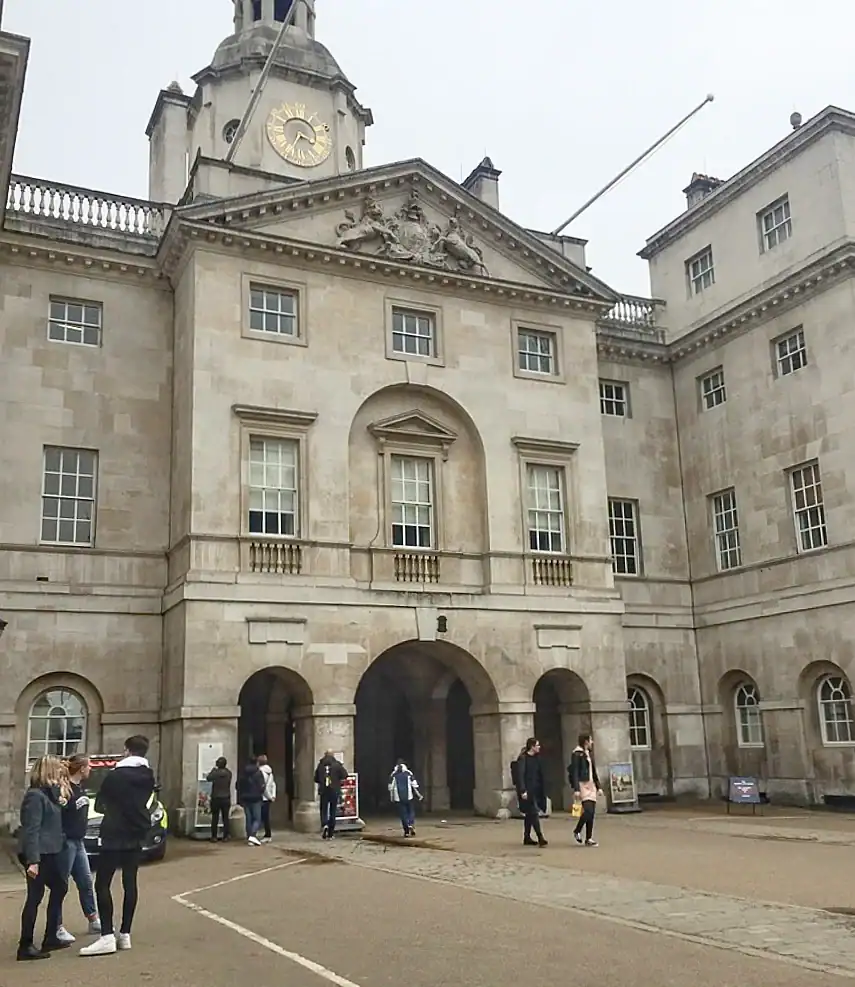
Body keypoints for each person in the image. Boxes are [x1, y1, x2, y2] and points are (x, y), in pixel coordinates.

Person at [80, 736, 155, 957]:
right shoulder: (147, 775)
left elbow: (100, 804)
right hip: (135, 833)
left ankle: (106, 935)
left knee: (103, 883)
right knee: (129, 882)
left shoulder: (115, 776)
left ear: (127, 750)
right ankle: (125, 934)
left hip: (113, 832)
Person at [16, 755, 71, 961]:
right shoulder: (35, 796)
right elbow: (31, 830)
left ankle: (50, 936)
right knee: (34, 898)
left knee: (60, 887)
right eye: (57, 770)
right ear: (48, 771)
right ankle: (25, 945)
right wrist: (33, 861)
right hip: (39, 854)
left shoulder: (49, 794)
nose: (60, 773)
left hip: (52, 851)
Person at [55, 754, 100, 945]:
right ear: (81, 768)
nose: (90, 769)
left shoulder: (80, 788)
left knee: (86, 881)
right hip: (66, 843)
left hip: (79, 841)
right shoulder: (65, 789)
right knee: (60, 885)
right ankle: (56, 926)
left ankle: (93, 919)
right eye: (88, 766)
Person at [569, 732, 604, 847]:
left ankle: (589, 838)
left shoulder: (588, 753)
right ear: (585, 742)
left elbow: (593, 771)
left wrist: (598, 786)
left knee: (592, 813)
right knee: (587, 811)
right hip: (582, 784)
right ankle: (577, 830)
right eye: (590, 740)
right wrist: (576, 788)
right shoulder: (577, 754)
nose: (592, 742)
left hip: (591, 784)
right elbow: (574, 772)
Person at [515, 737, 548, 847]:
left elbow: (540, 774)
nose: (539, 747)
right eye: (537, 745)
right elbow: (520, 775)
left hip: (536, 790)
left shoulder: (538, 758)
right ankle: (540, 837)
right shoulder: (523, 759)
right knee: (533, 813)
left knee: (529, 814)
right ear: (532, 746)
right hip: (527, 790)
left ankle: (526, 837)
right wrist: (522, 790)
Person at [314, 751, 348, 840]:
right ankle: (330, 833)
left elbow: (316, 778)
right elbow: (345, 775)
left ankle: (324, 824)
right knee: (333, 811)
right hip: (334, 790)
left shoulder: (320, 765)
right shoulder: (337, 765)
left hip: (324, 790)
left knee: (324, 809)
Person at [388, 759, 423, 837]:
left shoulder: (393, 775)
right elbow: (414, 784)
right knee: (411, 811)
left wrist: (392, 797)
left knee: (403, 814)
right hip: (409, 797)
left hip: (399, 798)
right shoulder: (408, 773)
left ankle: (406, 831)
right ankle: (411, 823)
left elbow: (390, 787)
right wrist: (419, 794)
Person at [237, 756, 266, 846]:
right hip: (256, 798)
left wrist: (241, 793)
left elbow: (237, 785)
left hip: (245, 798)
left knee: (248, 818)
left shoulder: (243, 772)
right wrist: (260, 792)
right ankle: (253, 835)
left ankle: (249, 837)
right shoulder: (258, 773)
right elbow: (262, 785)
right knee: (257, 818)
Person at [206, 756, 233, 842]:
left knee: (215, 818)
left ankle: (214, 836)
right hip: (226, 797)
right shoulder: (229, 773)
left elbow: (208, 778)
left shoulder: (215, 773)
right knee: (225, 818)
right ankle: (226, 835)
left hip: (216, 797)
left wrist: (213, 770)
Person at [257, 754, 276, 843]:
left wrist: (269, 796)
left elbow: (263, 787)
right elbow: (273, 784)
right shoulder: (270, 772)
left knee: (261, 817)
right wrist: (273, 795)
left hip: (263, 797)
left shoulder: (260, 772)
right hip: (268, 797)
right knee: (266, 817)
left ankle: (266, 834)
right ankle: (267, 834)